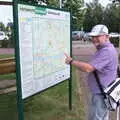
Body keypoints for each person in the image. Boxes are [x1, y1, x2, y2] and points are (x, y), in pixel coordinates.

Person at [65, 24, 118, 120]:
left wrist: (71, 61)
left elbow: (88, 68)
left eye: (97, 36)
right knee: (102, 117)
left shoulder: (106, 51)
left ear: (107, 36)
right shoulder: (106, 49)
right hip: (102, 92)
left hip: (100, 94)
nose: (94, 39)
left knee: (96, 118)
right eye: (93, 36)